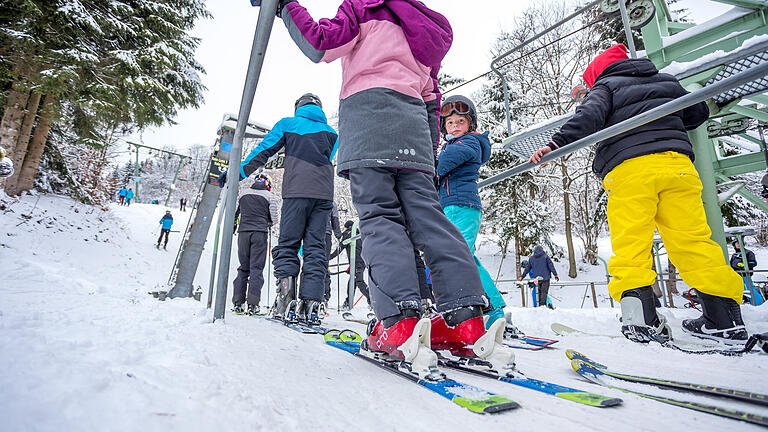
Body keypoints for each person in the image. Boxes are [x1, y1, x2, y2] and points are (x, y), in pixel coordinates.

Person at [277, 0, 514, 374]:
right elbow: (432, 99)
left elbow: (320, 44)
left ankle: (400, 321)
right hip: (415, 130)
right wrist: (428, 150)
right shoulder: (424, 28)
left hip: (369, 120)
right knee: (429, 218)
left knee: (380, 217)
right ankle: (466, 319)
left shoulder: (362, 8)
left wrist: (287, 7)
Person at [528, 44, 746, 344]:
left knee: (631, 244)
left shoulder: (605, 86)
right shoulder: (667, 82)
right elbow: (696, 112)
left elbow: (589, 117)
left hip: (630, 170)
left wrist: (556, 145)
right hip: (677, 167)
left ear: (598, 74)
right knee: (693, 240)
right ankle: (723, 318)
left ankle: (640, 319)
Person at [221, 93, 337, 325]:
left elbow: (264, 150)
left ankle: (286, 297)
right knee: (315, 249)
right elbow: (330, 159)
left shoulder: (288, 124)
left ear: (298, 107)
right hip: (324, 195)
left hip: (296, 192)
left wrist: (239, 172)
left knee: (288, 244)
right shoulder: (332, 134)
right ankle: (311, 303)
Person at [436, 94, 510, 329]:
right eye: (450, 123)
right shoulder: (454, 145)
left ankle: (492, 310)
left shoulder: (468, 143)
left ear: (470, 124)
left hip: (461, 207)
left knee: (460, 258)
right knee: (463, 257)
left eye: (460, 122)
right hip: (453, 206)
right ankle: (491, 307)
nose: (455, 127)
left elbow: (441, 165)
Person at [232, 174, 279, 315]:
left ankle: (238, 303)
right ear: (268, 184)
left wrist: (234, 228)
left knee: (243, 267)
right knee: (256, 269)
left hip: (243, 233)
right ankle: (253, 305)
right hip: (260, 233)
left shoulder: (243, 193)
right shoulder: (270, 196)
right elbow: (275, 218)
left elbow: (234, 213)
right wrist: (268, 223)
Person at [330, 220, 370, 310]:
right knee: (352, 282)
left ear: (347, 227)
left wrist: (328, 257)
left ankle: (372, 300)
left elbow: (339, 249)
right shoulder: (360, 235)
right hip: (361, 263)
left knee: (359, 282)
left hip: (356, 263)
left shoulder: (348, 234)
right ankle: (348, 302)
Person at [731, 240, 762, 305]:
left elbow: (753, 262)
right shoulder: (734, 255)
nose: (738, 244)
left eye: (740, 243)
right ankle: (744, 303)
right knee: (739, 290)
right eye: (736, 243)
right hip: (736, 276)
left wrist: (744, 265)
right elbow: (731, 264)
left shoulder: (748, 253)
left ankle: (757, 303)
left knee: (749, 289)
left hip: (745, 275)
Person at [324, 202, 342, 305]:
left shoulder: (313, 198)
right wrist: (338, 235)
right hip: (326, 234)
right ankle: (325, 295)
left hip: (313, 234)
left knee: (312, 263)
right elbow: (335, 221)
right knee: (325, 264)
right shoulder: (332, 203)